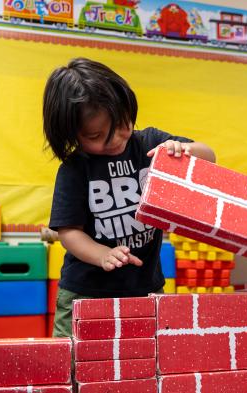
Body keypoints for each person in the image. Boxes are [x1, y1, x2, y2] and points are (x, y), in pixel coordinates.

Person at [43, 57, 216, 337]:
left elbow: (210, 157)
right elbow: (69, 232)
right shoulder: (76, 168)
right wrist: (102, 254)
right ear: (71, 134)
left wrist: (185, 151)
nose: (114, 139)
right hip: (86, 291)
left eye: (121, 124)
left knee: (144, 361)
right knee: (75, 362)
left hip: (145, 288)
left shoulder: (150, 143)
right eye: (97, 135)